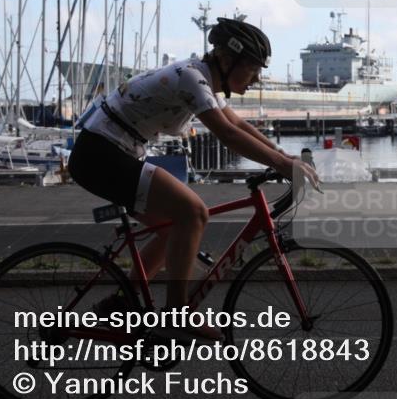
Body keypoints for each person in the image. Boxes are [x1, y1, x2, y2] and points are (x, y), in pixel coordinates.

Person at [68, 18, 319, 338]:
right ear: (227, 60)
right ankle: (177, 315)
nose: (257, 78)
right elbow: (226, 133)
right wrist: (282, 164)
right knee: (193, 211)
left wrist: (285, 157)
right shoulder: (191, 78)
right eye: (253, 68)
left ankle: (119, 302)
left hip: (114, 151)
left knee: (172, 226)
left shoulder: (204, 80)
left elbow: (237, 124)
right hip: (101, 153)